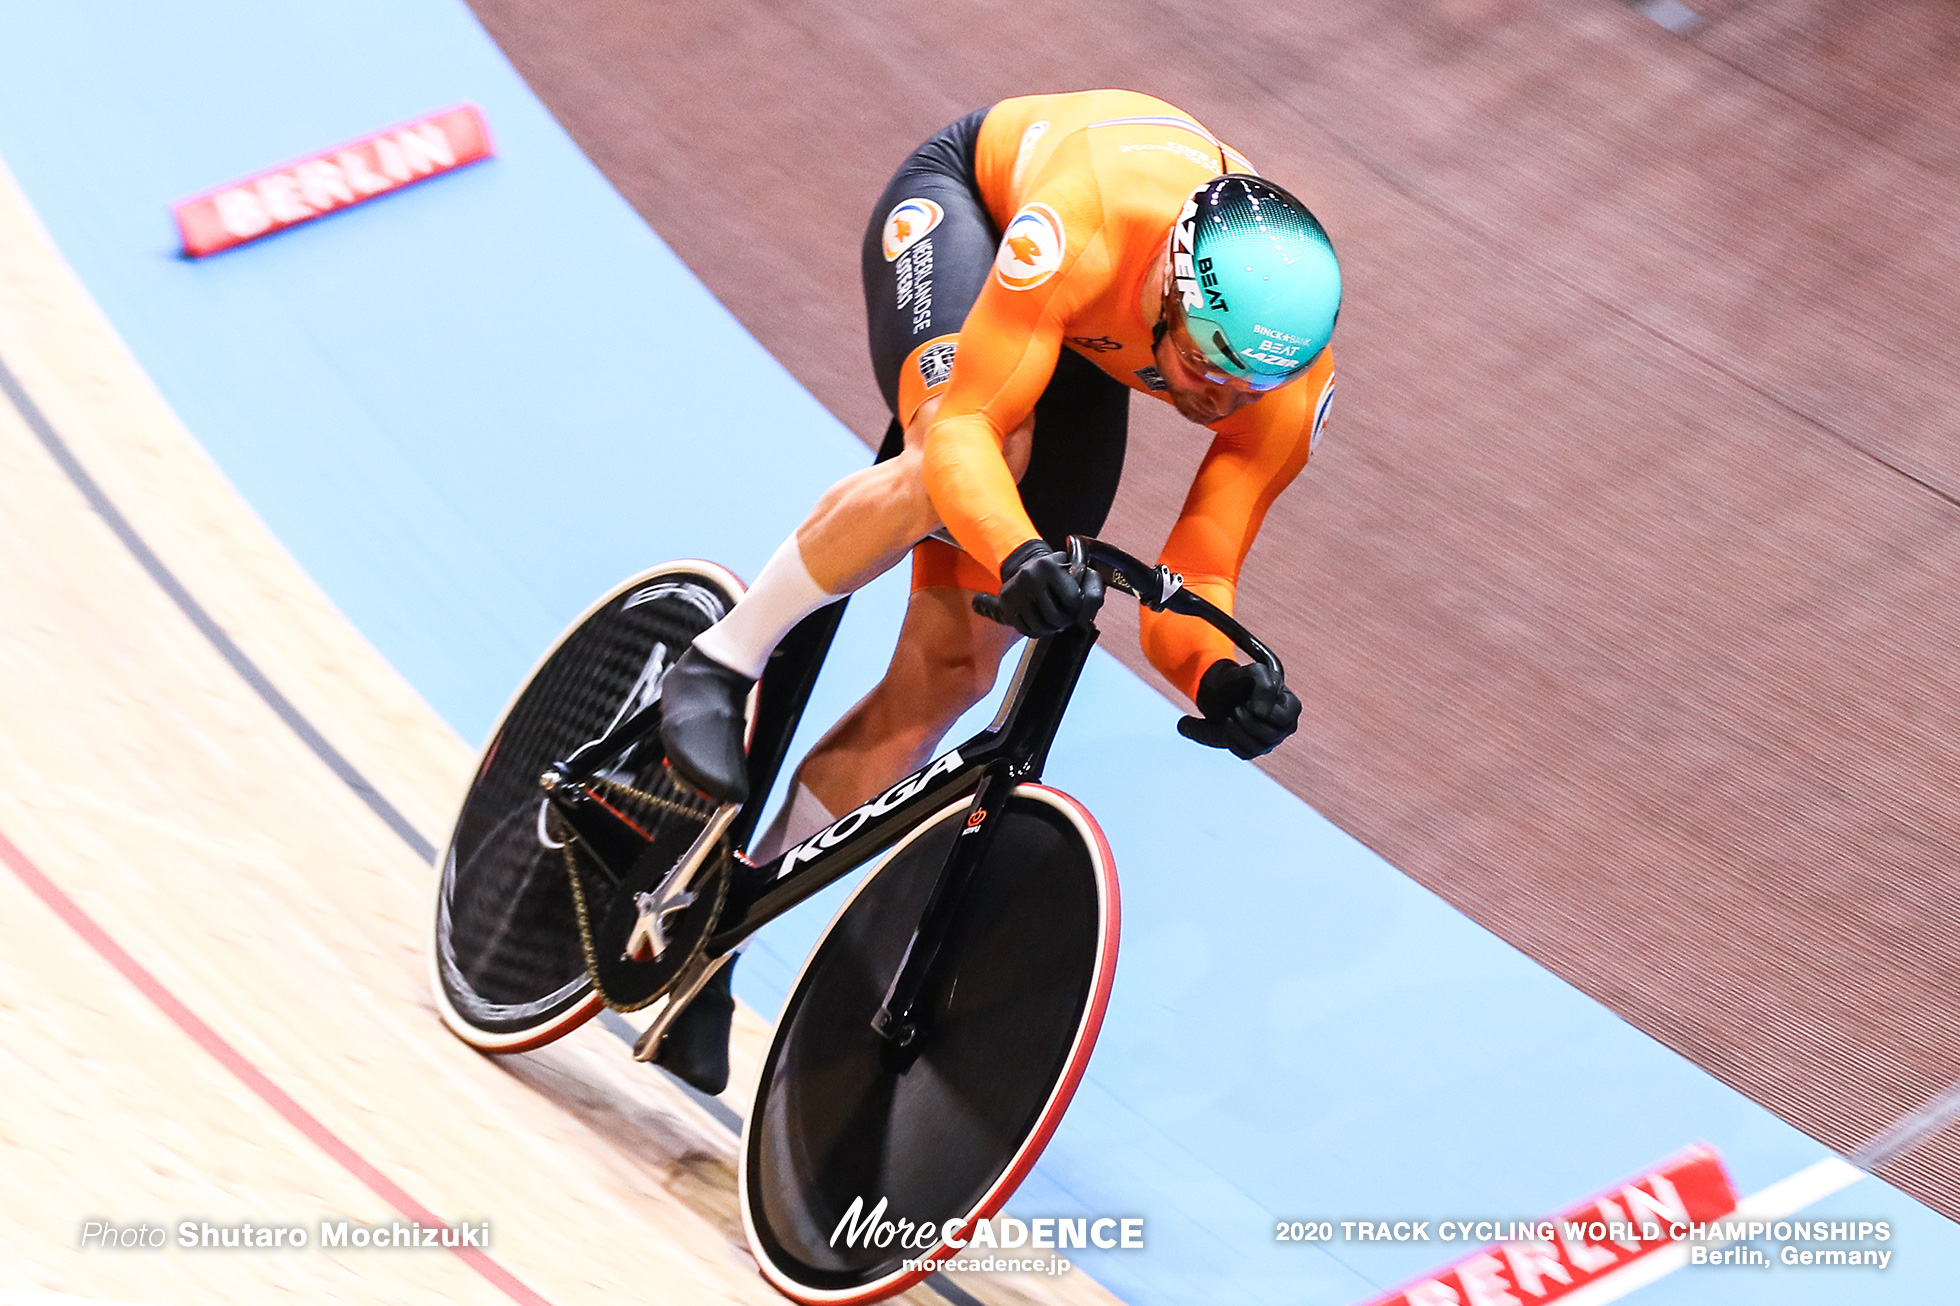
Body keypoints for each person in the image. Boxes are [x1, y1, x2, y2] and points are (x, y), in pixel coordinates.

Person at [651, 91, 1340, 1094]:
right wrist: (1016, 553)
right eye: (1200, 367)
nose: (1209, 402)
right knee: (959, 454)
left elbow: (1198, 570)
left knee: (952, 673)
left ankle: (723, 926)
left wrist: (1220, 674)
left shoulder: (1285, 382)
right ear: (1170, 293)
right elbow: (971, 428)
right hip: (969, 208)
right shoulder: (1092, 230)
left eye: (1239, 390)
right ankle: (718, 660)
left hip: (1089, 332)